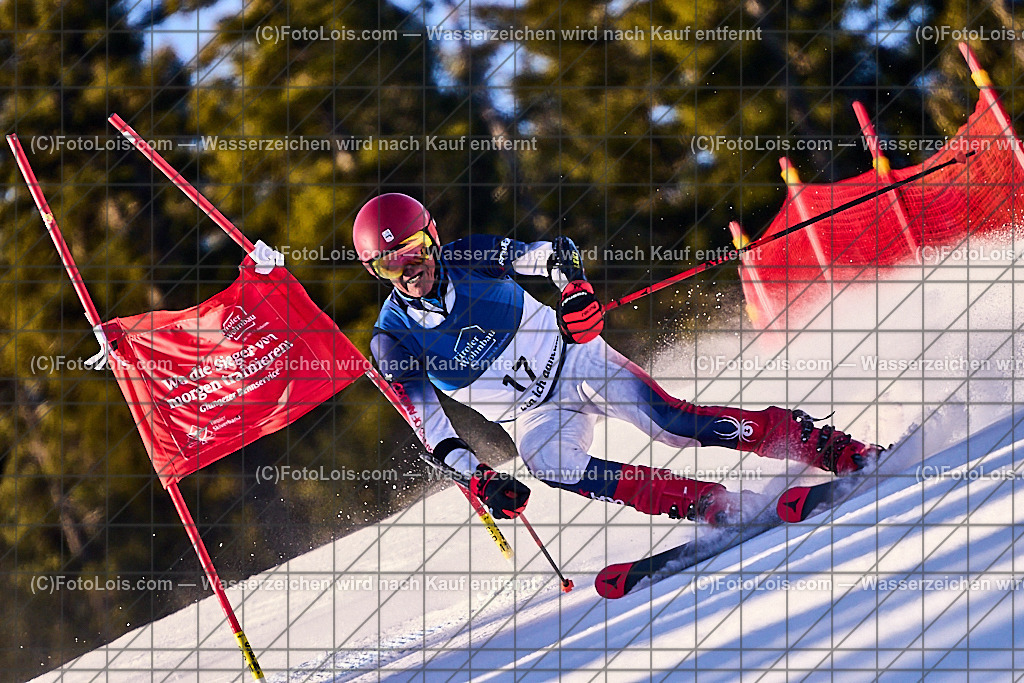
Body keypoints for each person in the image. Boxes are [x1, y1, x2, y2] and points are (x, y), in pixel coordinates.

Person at [356, 193, 878, 525]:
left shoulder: (471, 256)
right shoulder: (392, 341)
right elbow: (433, 430)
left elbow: (550, 254)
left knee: (672, 424)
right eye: (387, 264)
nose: (407, 270)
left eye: (415, 250)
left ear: (434, 239)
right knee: (550, 465)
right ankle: (703, 502)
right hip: (533, 415)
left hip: (575, 359)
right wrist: (481, 478)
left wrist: (575, 291)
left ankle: (825, 445)